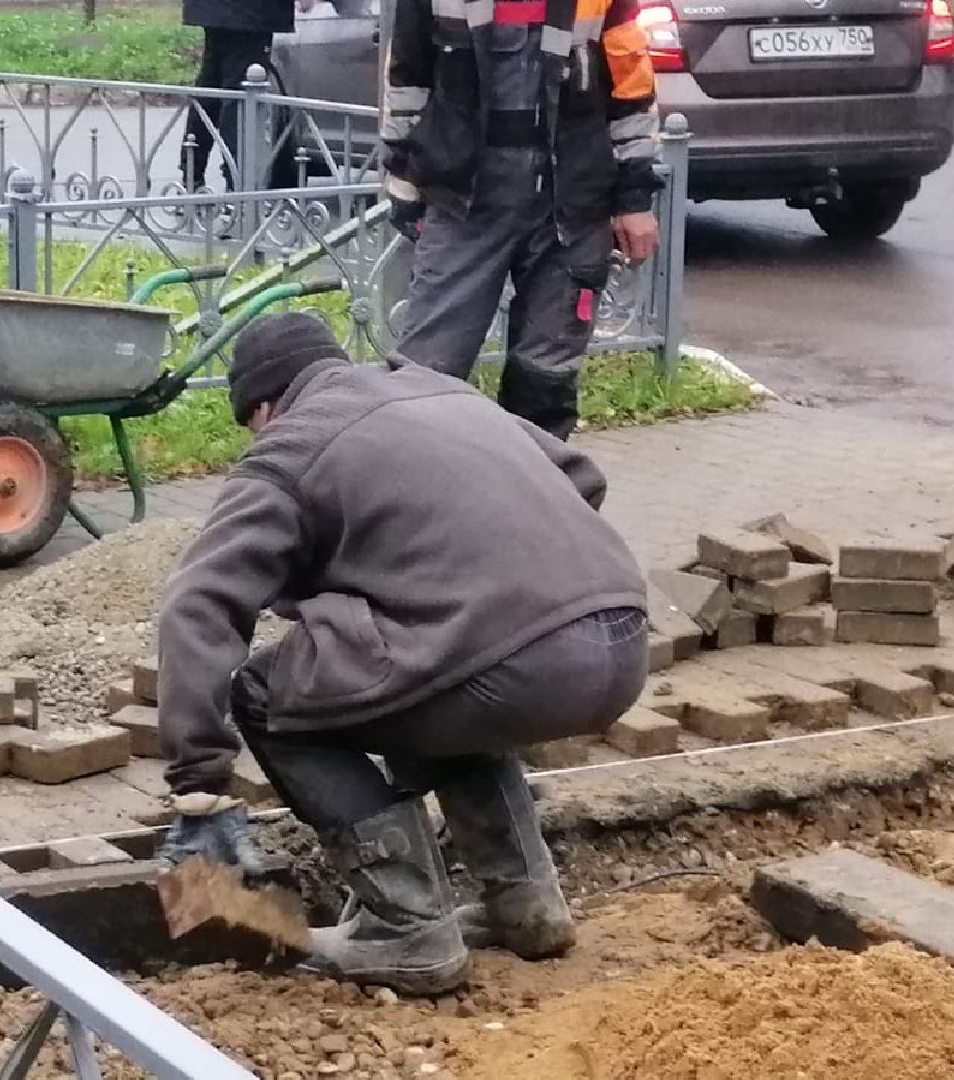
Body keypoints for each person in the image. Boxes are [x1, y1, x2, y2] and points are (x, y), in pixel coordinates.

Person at [154, 313, 649, 994]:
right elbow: (580, 477)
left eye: (251, 425)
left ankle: (405, 927)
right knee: (422, 671)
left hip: (511, 668)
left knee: (265, 693)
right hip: (621, 641)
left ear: (264, 406)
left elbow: (198, 604)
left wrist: (199, 785)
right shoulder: (444, 393)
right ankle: (526, 904)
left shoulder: (290, 447)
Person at [378, 0, 663, 439]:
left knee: (544, 384)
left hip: (571, 203)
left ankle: (534, 498)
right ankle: (419, 501)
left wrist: (635, 197)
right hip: (464, 198)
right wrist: (404, 179)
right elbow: (408, 73)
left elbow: (630, 86)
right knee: (426, 380)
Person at [181, 0, 319, 192]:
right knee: (240, 95)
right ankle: (236, 184)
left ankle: (192, 175)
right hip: (251, 11)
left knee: (212, 85)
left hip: (218, 9)